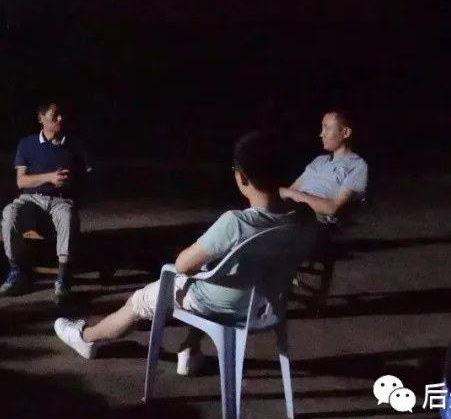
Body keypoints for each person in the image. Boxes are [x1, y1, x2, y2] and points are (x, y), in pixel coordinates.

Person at [52, 131, 316, 374]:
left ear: (242, 178)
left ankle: (87, 338)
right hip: (264, 306)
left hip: (221, 305)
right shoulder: (304, 218)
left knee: (145, 298)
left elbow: (182, 266)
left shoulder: (236, 222)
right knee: (212, 272)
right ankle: (190, 350)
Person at [0, 101, 92, 305]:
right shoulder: (27, 144)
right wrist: (49, 177)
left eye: (61, 115)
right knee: (9, 213)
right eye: (55, 115)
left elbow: (88, 178)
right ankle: (16, 270)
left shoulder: (74, 145)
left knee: (68, 216)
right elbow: (21, 181)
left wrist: (72, 183)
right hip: (31, 199)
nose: (60, 119)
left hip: (61, 200)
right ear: (41, 119)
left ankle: (63, 278)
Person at [279, 110, 368, 224]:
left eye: (327, 128)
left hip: (310, 219)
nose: (321, 134)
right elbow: (291, 190)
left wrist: (293, 195)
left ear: (345, 132)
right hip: (290, 211)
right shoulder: (319, 160)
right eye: (322, 129)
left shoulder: (357, 165)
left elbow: (332, 208)